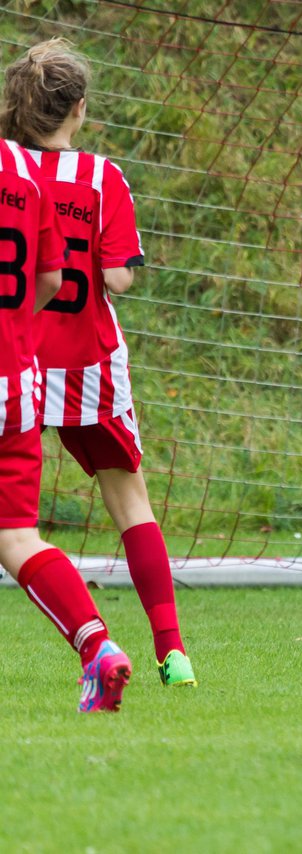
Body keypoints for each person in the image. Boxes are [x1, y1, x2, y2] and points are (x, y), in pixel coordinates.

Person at [1, 39, 196, 688]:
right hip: (88, 362)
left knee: (14, 529)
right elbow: (117, 278)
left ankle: (94, 644)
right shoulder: (101, 177)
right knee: (130, 503)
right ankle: (173, 652)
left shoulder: (12, 174)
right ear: (78, 109)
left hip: (19, 355)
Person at [0, 117, 136, 712]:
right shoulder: (26, 173)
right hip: (14, 380)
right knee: (16, 536)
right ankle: (98, 648)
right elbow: (51, 279)